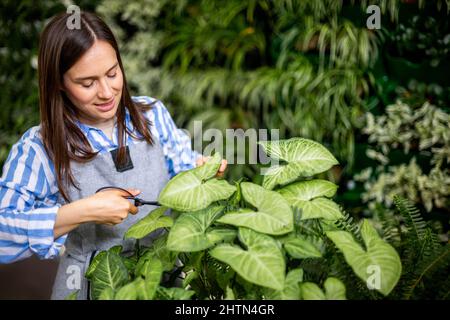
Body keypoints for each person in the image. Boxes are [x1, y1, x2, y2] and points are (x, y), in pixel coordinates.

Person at [0, 11, 227, 299]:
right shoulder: (38, 147)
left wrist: (201, 173)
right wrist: (85, 210)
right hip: (91, 288)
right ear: (58, 82)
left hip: (164, 275)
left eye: (112, 73)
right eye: (87, 83)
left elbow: (183, 171)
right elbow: (2, 233)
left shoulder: (152, 114)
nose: (107, 92)